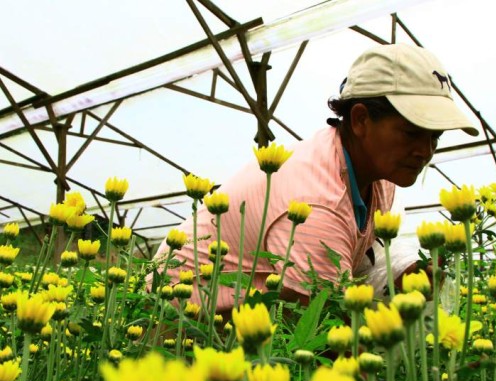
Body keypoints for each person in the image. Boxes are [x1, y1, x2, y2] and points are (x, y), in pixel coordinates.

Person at [151, 43, 478, 312]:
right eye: (411, 133)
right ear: (361, 119)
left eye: (435, 136)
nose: (425, 150)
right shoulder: (316, 202)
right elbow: (318, 330)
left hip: (237, 319)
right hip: (175, 317)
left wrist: (403, 270)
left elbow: (358, 254)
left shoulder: (378, 179)